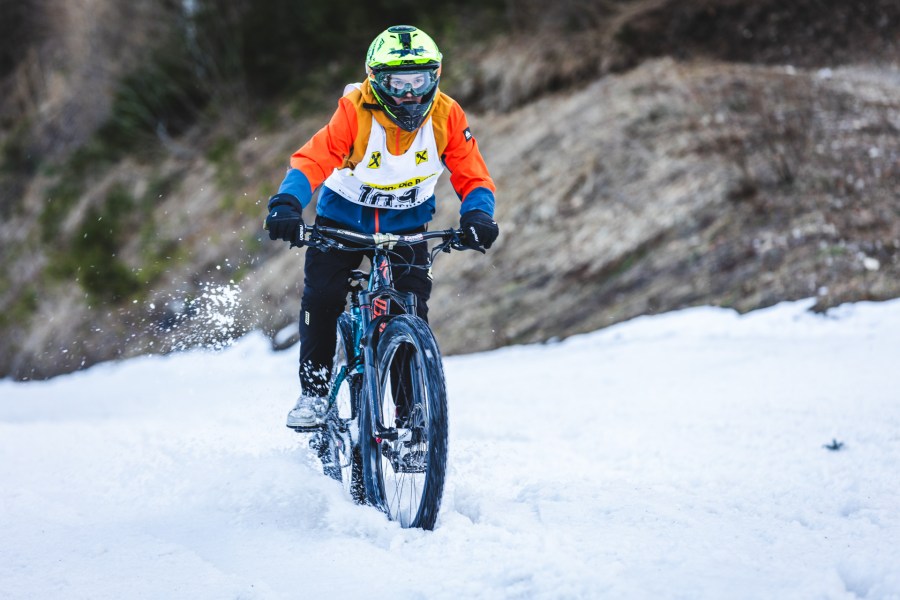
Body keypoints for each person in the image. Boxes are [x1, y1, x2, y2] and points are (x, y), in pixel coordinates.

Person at [264, 25, 499, 428]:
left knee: (412, 312)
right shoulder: (354, 111)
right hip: (342, 222)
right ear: (375, 79)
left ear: (435, 77)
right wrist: (287, 203)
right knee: (322, 297)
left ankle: (411, 421)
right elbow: (312, 160)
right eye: (397, 82)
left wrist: (478, 215)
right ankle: (314, 394)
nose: (409, 94)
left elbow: (473, 175)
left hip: (408, 227)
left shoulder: (446, 115)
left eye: (418, 81)